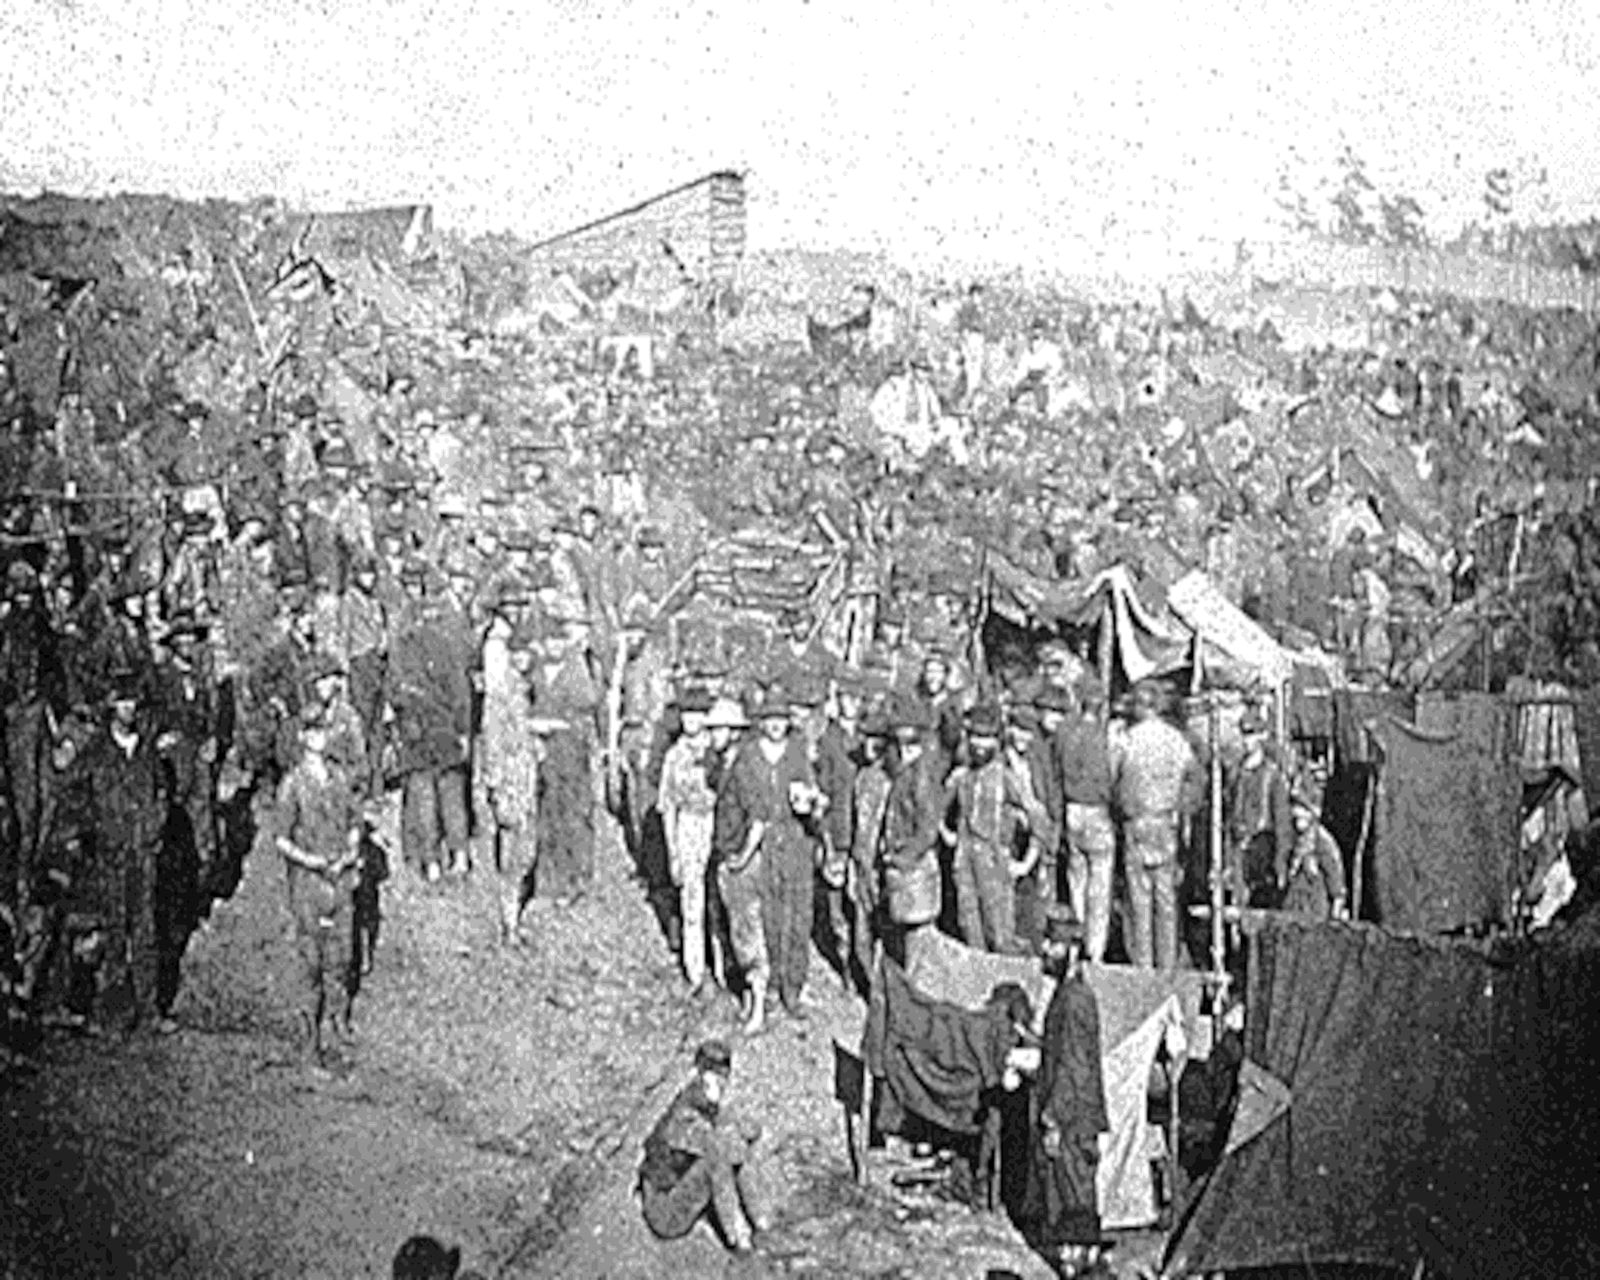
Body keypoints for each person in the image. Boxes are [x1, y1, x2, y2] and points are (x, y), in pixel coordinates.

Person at [712, 685, 822, 1030]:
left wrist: (813, 801)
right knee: (770, 915)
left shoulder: (797, 752)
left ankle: (796, 988)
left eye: (781, 719)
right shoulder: (749, 757)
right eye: (770, 719)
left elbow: (815, 795)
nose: (776, 725)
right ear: (761, 722)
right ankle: (771, 987)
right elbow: (740, 803)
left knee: (799, 915)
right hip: (764, 843)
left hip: (796, 840)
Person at [275, 703, 363, 1068]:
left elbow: (354, 821)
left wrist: (351, 850)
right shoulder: (293, 783)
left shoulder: (339, 778)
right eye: (312, 732)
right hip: (309, 881)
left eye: (323, 731)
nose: (319, 738)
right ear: (301, 737)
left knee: (340, 954)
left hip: (339, 876)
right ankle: (308, 1030)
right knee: (310, 957)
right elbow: (281, 838)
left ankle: (337, 1019)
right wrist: (310, 861)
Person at [638, 1039, 779, 1253]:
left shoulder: (702, 1102)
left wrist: (744, 1130)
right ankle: (739, 1238)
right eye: (714, 1079)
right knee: (719, 1160)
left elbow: (746, 1129)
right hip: (665, 1212)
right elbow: (716, 1148)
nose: (721, 1086)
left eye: (724, 1080)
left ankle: (762, 1221)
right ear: (698, 1074)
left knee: (734, 1144)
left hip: (676, 1190)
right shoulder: (683, 1116)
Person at [1032, 906, 1110, 1278]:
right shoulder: (1068, 994)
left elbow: (1075, 1068)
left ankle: (1083, 1268)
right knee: (1071, 1199)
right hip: (1073, 1116)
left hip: (1073, 1119)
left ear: (1072, 950)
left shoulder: (1076, 999)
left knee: (1075, 1199)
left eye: (1053, 944)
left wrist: (1053, 1118)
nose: (1045, 950)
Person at [1112, 680, 1203, 969]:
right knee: (1165, 897)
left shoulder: (1127, 740)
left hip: (1137, 822)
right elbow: (1195, 777)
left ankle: (1143, 964)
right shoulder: (1176, 740)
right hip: (1166, 823)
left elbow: (1114, 779)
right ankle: (1166, 964)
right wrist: (1183, 805)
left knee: (1139, 897)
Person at [945, 702, 1033, 955]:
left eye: (987, 738)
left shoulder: (1007, 777)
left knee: (999, 930)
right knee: (969, 923)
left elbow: (1039, 821)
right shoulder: (962, 775)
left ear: (998, 740)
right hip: (964, 857)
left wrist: (1025, 862)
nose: (979, 744)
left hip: (994, 860)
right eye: (975, 736)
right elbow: (936, 807)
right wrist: (948, 833)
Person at [658, 685, 719, 995]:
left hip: (715, 826)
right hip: (687, 827)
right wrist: (673, 852)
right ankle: (695, 970)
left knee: (718, 899)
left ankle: (722, 970)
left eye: (697, 714)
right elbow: (667, 806)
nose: (691, 721)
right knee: (691, 900)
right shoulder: (674, 756)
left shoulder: (716, 752)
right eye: (686, 714)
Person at [1053, 681, 1116, 963]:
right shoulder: (1104, 739)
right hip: (1097, 812)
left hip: (1072, 810)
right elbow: (1110, 780)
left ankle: (1076, 942)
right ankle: (1095, 950)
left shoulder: (1067, 735)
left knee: (1077, 881)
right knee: (1099, 887)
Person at [1224, 707, 1292, 910]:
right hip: (1239, 851)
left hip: (1262, 851)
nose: (1247, 741)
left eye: (1252, 734)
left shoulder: (1272, 777)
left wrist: (1280, 862)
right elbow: (1229, 818)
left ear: (1263, 736)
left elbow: (1282, 823)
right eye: (1244, 734)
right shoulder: (1236, 774)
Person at [1282, 789, 1349, 921]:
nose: (1297, 814)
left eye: (1302, 810)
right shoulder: (1293, 838)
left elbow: (1333, 871)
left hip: (1315, 900)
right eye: (1295, 809)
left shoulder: (1322, 840)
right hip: (1295, 899)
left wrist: (1337, 902)